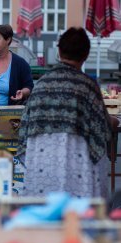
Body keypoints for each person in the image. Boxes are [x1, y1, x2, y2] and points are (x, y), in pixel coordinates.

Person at [18, 27, 118, 200]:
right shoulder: (86, 85)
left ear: (59, 51)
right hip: (79, 164)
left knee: (45, 215)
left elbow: (25, 126)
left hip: (41, 164)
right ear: (86, 54)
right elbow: (102, 125)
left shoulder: (41, 83)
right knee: (79, 219)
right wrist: (114, 122)